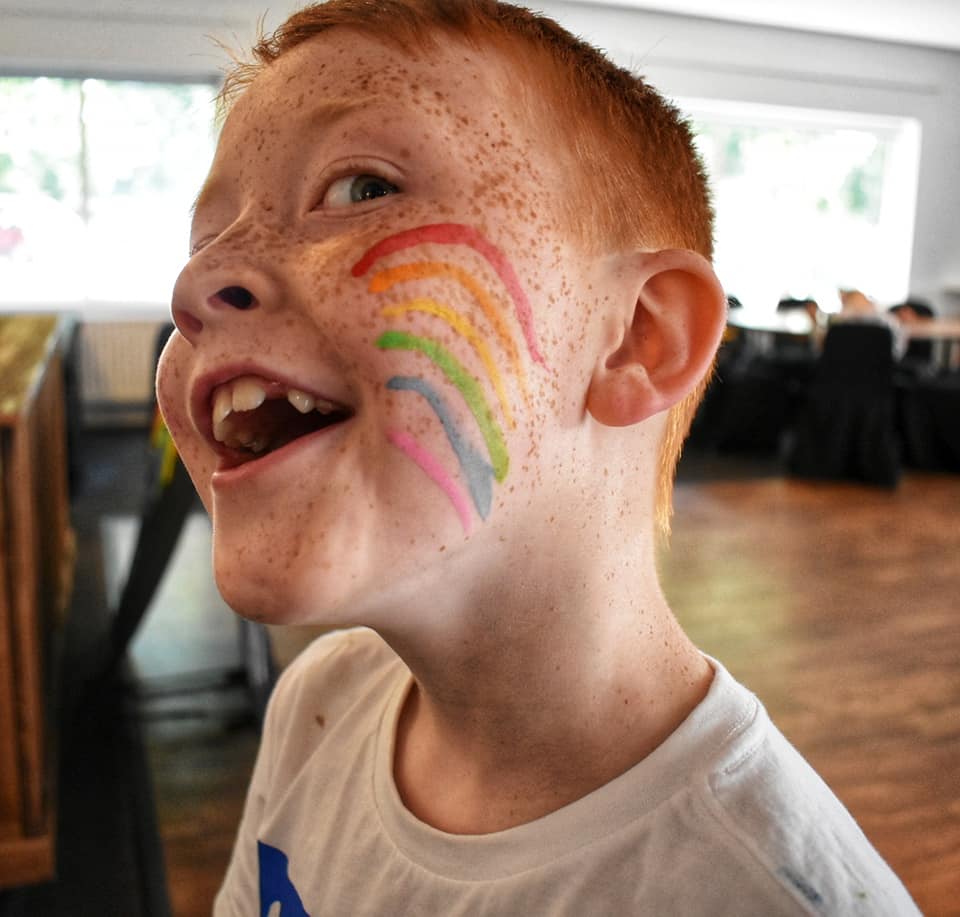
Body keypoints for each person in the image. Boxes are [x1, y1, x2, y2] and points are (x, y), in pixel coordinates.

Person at [155, 1, 919, 912]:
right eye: (206, 240)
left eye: (362, 187)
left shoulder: (759, 893)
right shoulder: (318, 702)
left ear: (637, 337)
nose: (196, 283)